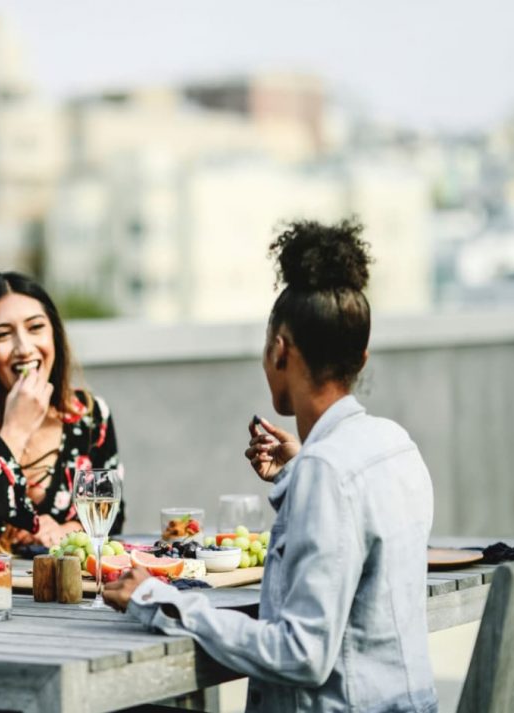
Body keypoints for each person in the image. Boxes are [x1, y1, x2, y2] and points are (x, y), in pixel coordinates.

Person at [104, 220, 437, 712]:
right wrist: (299, 470)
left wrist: (157, 599)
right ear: (360, 358)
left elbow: (303, 655)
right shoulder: (394, 445)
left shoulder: (327, 472)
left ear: (280, 350)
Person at [0, 271, 122, 564]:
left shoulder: (90, 415)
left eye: (36, 327)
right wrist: (14, 432)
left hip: (69, 598)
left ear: (54, 333)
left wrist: (65, 531)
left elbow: (113, 521)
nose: (24, 348)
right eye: (2, 334)